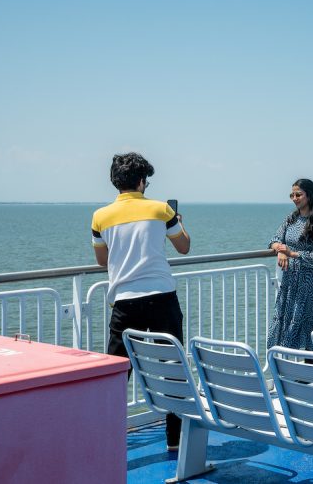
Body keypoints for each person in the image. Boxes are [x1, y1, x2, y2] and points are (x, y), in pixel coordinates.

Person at [91, 152, 191, 451]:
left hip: (124, 302)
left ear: (115, 182)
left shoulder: (100, 216)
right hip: (161, 298)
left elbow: (101, 261)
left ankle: (107, 440)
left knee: (118, 373)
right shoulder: (162, 210)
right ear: (141, 181)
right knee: (172, 369)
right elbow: (183, 247)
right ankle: (175, 441)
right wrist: (179, 224)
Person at [267, 179, 313, 353]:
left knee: (312, 328)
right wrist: (280, 250)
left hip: (312, 284)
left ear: (309, 195)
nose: (294, 198)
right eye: (292, 195)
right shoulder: (291, 218)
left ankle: (308, 373)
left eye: (298, 194)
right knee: (285, 327)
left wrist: (292, 254)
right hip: (292, 282)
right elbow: (274, 239)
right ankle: (285, 372)